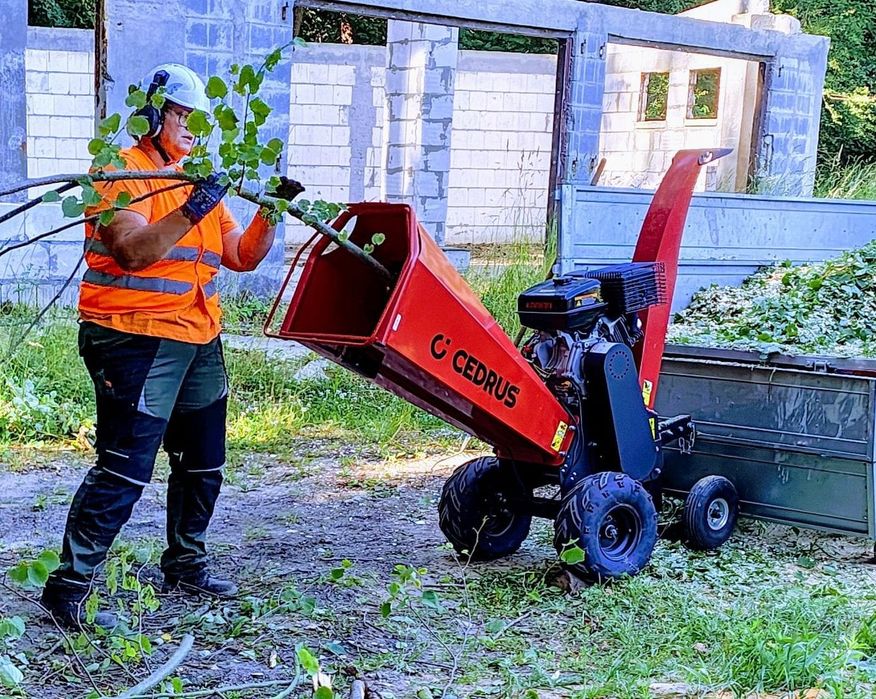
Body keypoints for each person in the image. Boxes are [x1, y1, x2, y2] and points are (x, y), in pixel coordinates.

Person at [40, 63, 304, 629]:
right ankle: (68, 589)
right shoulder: (117, 171)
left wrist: (270, 213)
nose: (191, 128)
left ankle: (187, 564)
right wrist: (193, 207)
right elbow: (133, 252)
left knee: (203, 460)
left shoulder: (195, 176)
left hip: (197, 335)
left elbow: (240, 255)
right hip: (132, 337)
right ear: (153, 114)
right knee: (124, 467)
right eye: (182, 115)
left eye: (197, 119)